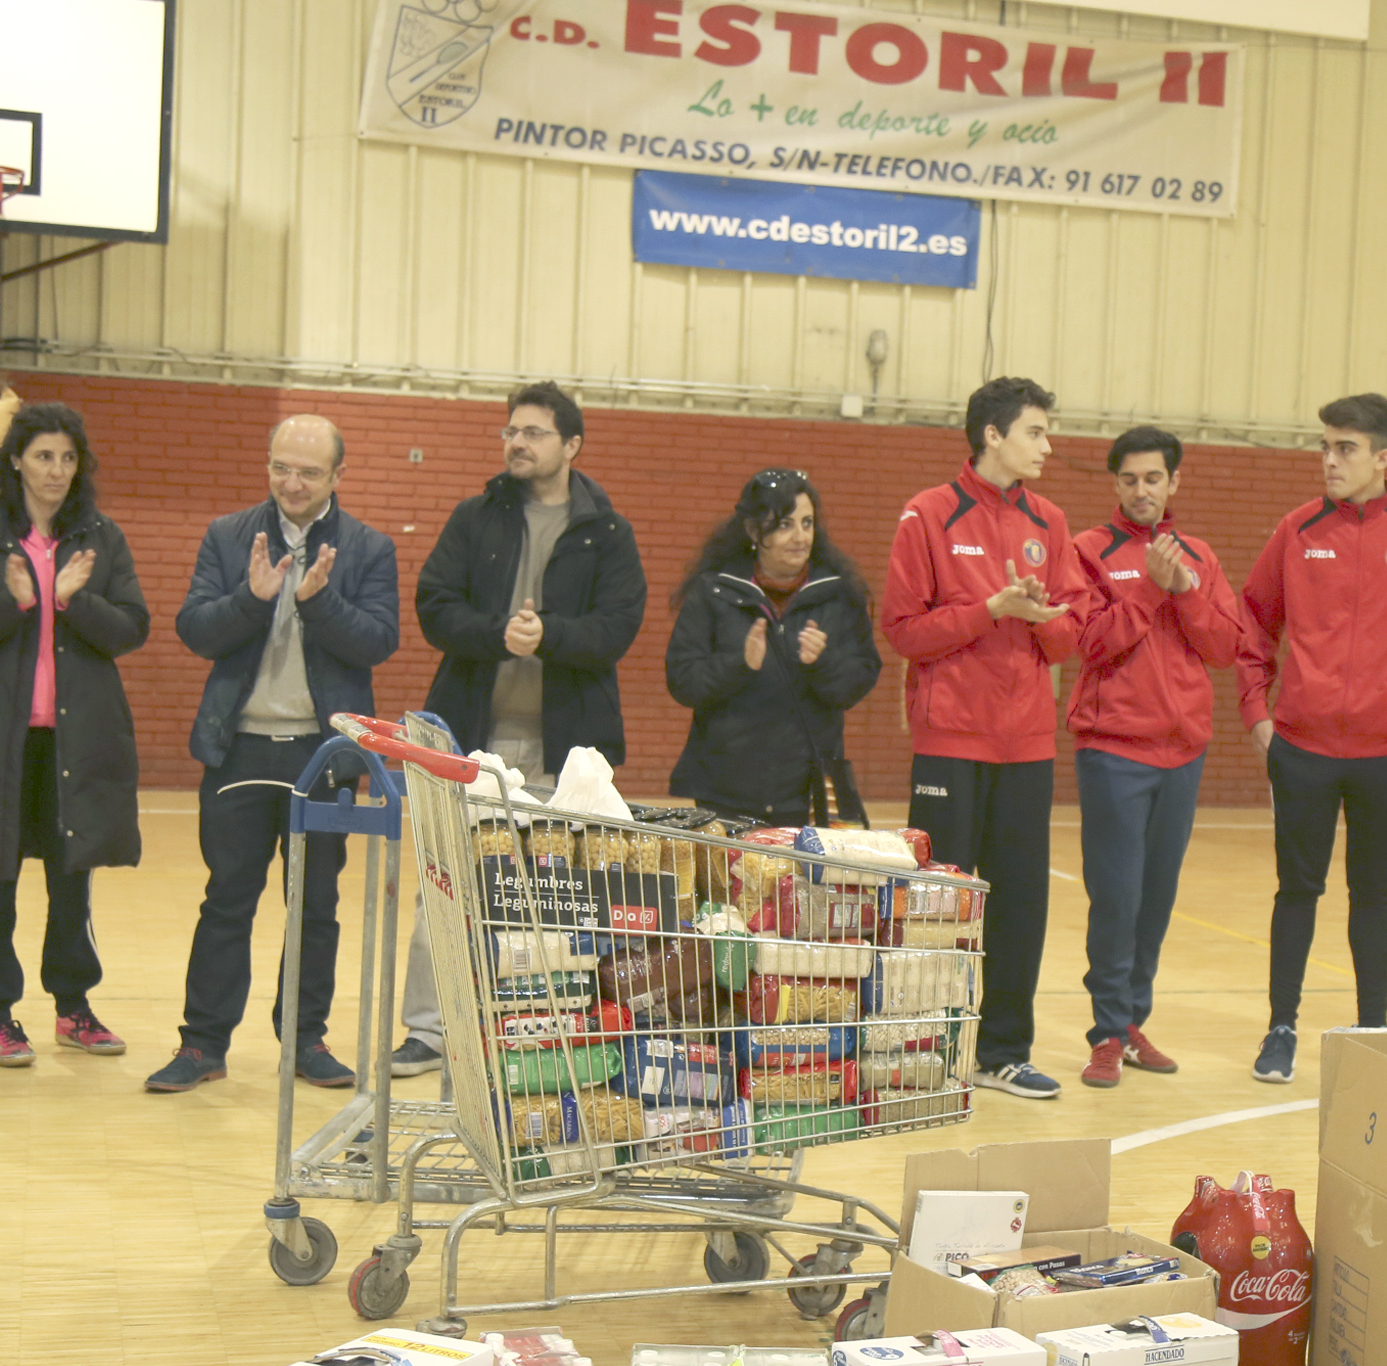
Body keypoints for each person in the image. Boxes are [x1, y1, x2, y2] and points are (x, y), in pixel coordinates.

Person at [147, 416, 402, 1095]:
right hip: (238, 750)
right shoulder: (228, 536)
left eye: (309, 472)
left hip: (325, 755)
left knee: (315, 904)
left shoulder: (368, 547)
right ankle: (203, 1044)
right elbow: (195, 630)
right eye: (280, 468)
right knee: (227, 901)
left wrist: (319, 604)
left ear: (338, 476)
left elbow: (379, 640)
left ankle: (305, 1040)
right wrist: (250, 600)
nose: (292, 483)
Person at [399, 381, 647, 1063]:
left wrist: (549, 637)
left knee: (554, 898)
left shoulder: (607, 532)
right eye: (511, 431)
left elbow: (618, 627)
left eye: (534, 432)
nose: (517, 442)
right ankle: (428, 1030)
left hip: (563, 753)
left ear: (572, 445)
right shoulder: (474, 517)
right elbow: (433, 605)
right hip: (472, 742)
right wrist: (496, 634)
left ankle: (535, 1033)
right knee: (444, 886)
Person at [1236, 393, 1387, 1085]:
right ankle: (1281, 1028)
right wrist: (1258, 716)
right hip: (1302, 751)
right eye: (1325, 446)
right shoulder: (1297, 529)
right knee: (1296, 891)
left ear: (1383, 458)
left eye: (1345, 448)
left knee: (1373, 894)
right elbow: (1253, 622)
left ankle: (1373, 1030)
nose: (1329, 460)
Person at [884, 375, 1092, 1099]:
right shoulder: (928, 515)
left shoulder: (1050, 523)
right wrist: (989, 610)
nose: (1048, 445)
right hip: (950, 741)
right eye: (1035, 431)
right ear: (993, 435)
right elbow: (903, 630)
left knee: (1021, 904)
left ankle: (1002, 1050)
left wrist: (1037, 616)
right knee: (938, 904)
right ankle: (924, 1048)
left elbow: (1071, 634)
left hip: (1026, 745)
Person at [0, 403, 151, 1068]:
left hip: (76, 742)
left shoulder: (101, 539)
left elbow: (132, 627)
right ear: (16, 461)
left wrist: (74, 599)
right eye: (43, 456)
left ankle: (73, 1008)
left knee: (71, 880)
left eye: (67, 458)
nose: (56, 470)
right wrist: (15, 602)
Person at [1065, 425, 1245, 1088]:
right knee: (1116, 898)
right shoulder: (1088, 551)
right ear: (1115, 484)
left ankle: (1132, 1022)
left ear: (1174, 482)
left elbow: (1225, 647)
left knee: (1155, 901)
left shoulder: (1200, 556)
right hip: (1114, 750)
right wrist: (1149, 589)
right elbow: (1090, 642)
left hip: (1183, 754)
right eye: (1129, 479)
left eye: (1153, 478)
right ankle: (1107, 1033)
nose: (1141, 490)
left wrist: (1184, 589)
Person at [665, 468, 882, 825]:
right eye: (784, 525)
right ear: (753, 531)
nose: (800, 537)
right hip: (724, 789)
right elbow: (683, 681)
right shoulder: (714, 592)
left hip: (807, 791)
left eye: (807, 523)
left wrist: (823, 662)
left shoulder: (839, 595)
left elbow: (858, 680)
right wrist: (739, 663)